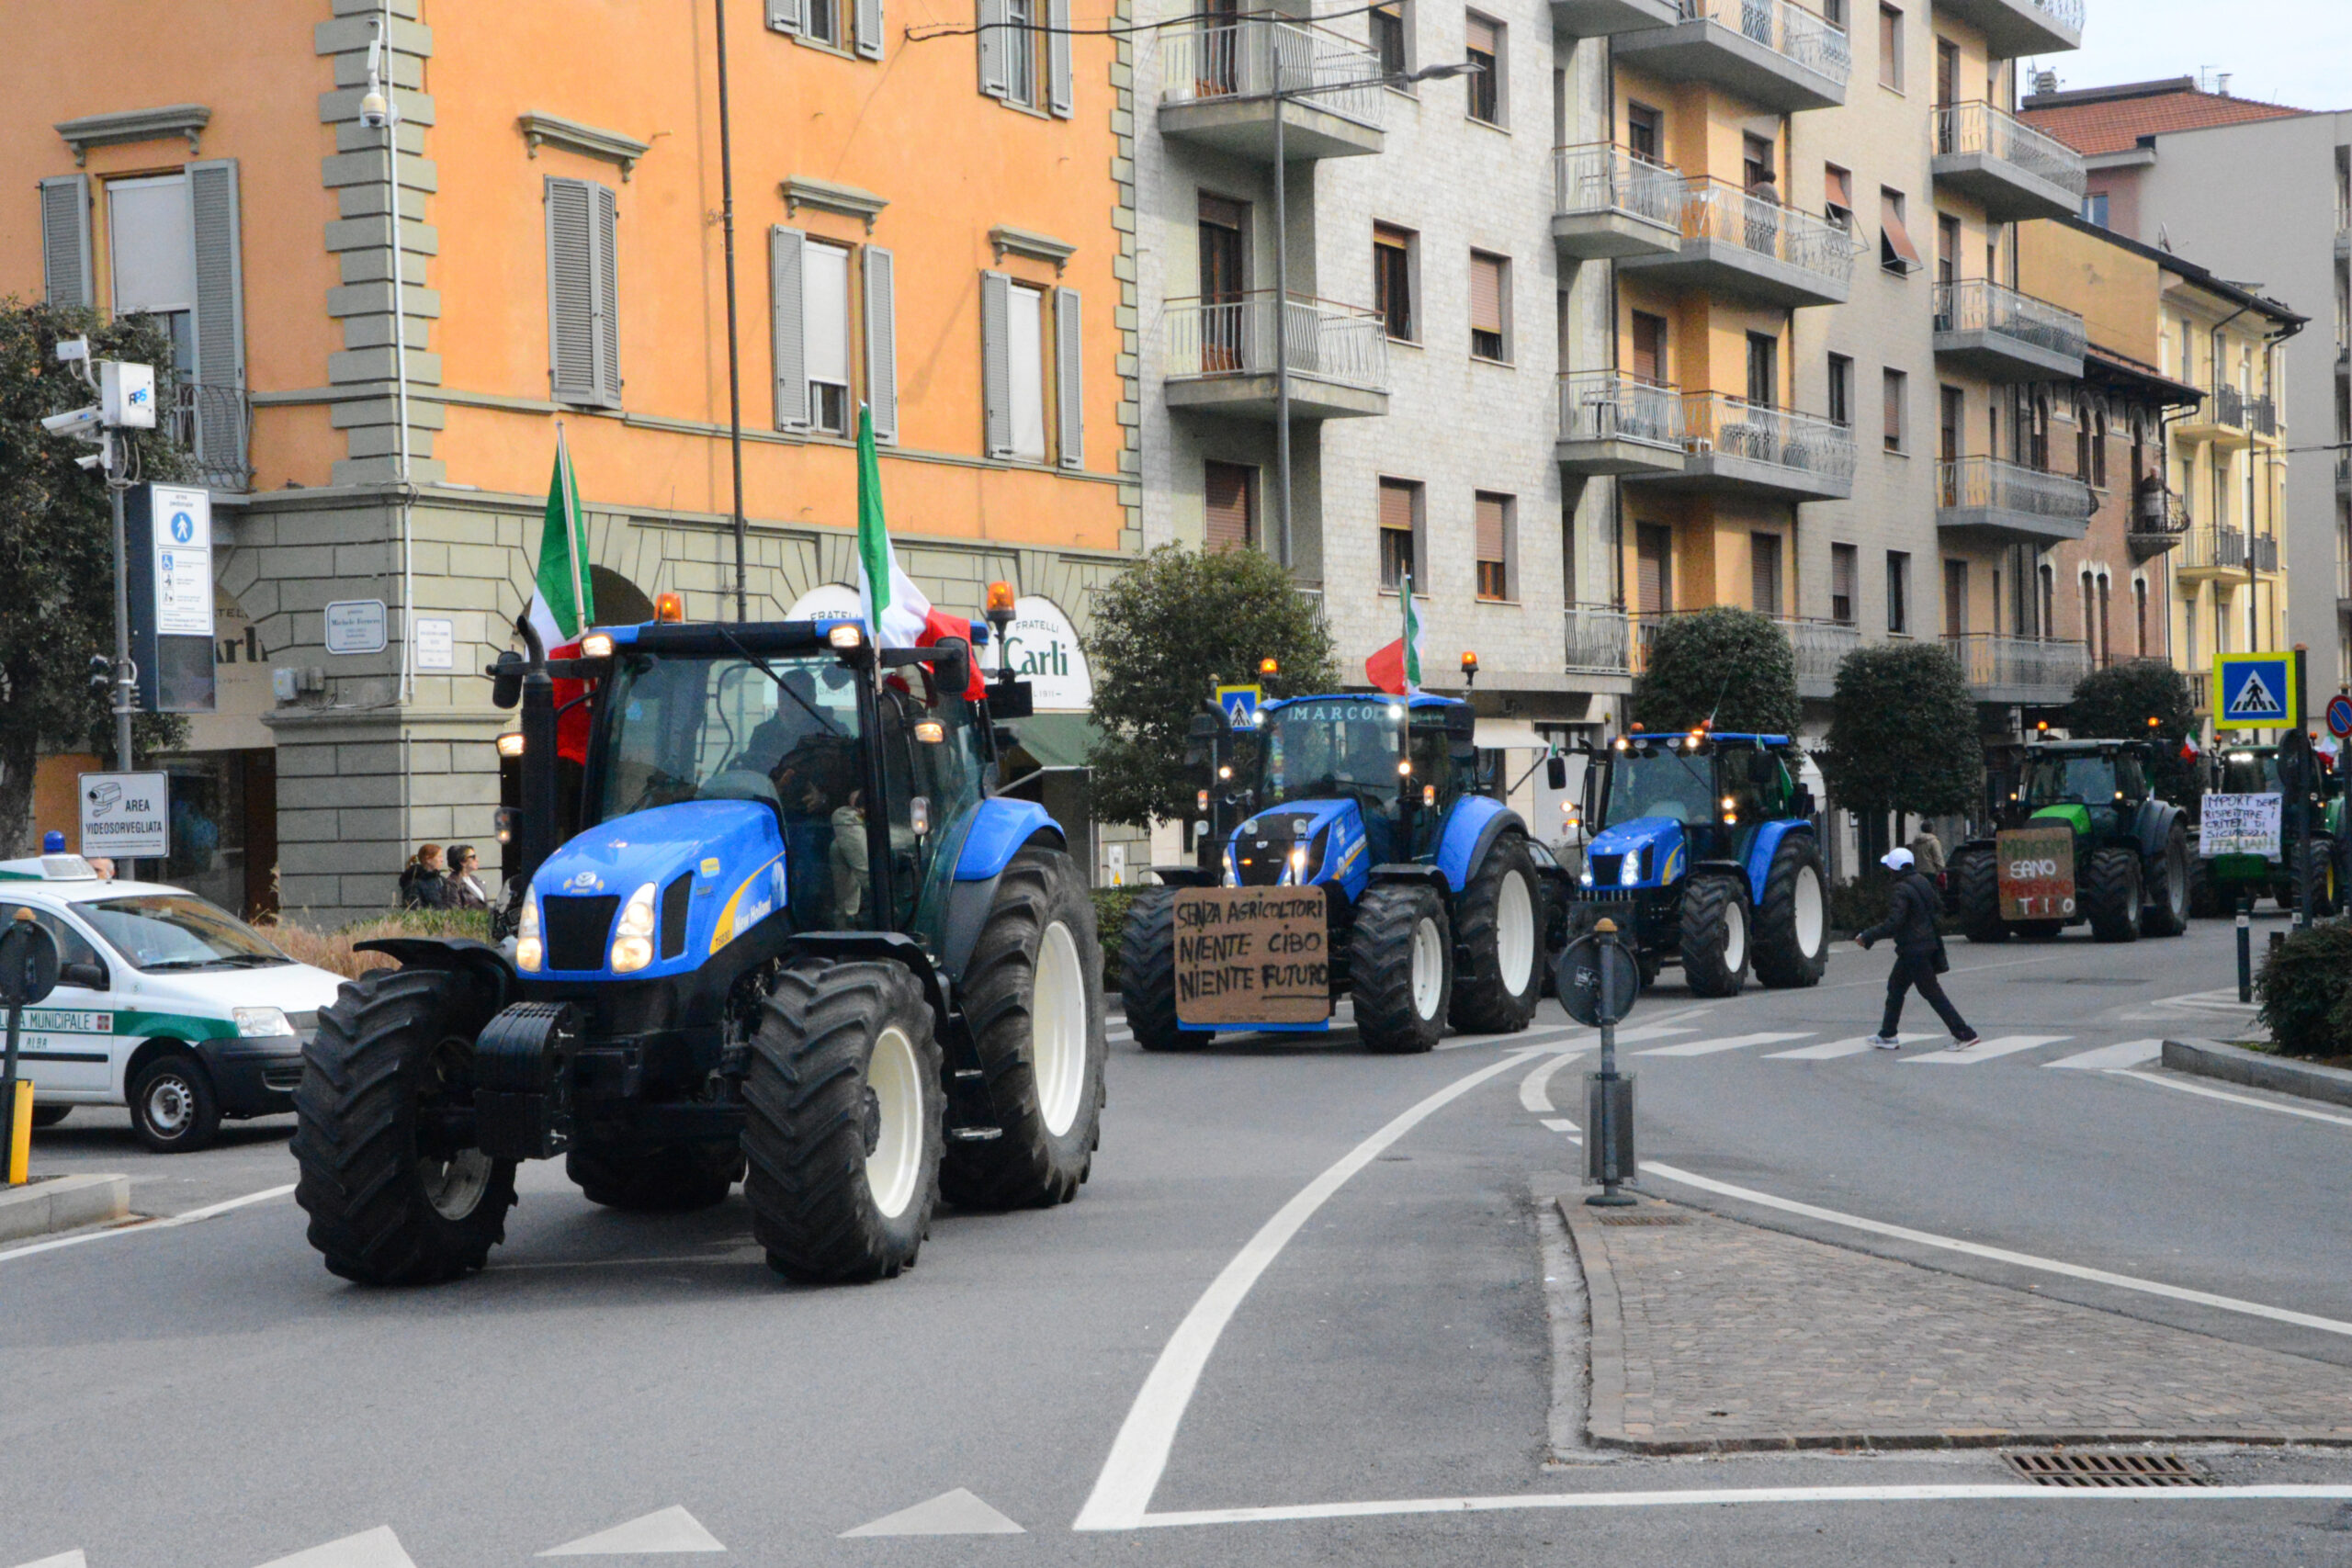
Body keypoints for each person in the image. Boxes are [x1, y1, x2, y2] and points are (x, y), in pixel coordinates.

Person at [1858, 846, 1978, 1050]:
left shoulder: (1900, 888)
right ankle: (1887, 1034)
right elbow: (1938, 907)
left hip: (1914, 950)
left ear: (1894, 869)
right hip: (1923, 946)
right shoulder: (1922, 881)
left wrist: (1868, 935)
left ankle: (1964, 1033)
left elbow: (1895, 921)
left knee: (1932, 993)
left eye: (1889, 867)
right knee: (1896, 987)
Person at [399, 844, 449, 910]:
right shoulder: (414, 883)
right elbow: (413, 909)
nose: (442, 860)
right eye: (439, 857)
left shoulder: (441, 880)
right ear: (428, 859)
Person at [445, 844, 490, 910]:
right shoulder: (452, 883)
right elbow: (455, 911)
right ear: (462, 861)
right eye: (473, 857)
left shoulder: (474, 879)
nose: (477, 859)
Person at [1908, 824, 1948, 889]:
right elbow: (1938, 857)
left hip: (1917, 872)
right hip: (1930, 872)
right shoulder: (1934, 842)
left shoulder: (1915, 842)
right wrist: (1942, 869)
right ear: (1932, 829)